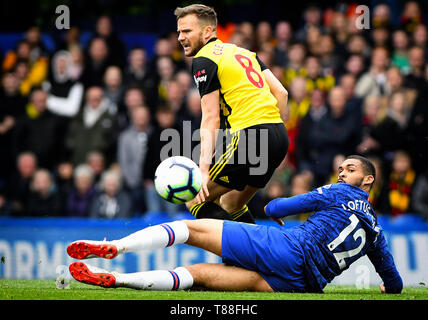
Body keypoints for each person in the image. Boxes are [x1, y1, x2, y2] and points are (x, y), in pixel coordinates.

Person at [67, 155, 402, 294]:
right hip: (302, 285)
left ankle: (117, 246)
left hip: (287, 248)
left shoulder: (339, 191)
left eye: (351, 168)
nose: (343, 172)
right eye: (342, 168)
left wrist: (278, 208)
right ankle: (117, 280)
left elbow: (277, 206)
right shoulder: (376, 231)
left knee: (191, 229)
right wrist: (389, 289)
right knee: (197, 275)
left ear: (367, 179)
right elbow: (395, 282)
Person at [174, 4, 289, 224]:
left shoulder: (204, 59)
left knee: (194, 199)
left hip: (251, 137)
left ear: (207, 31)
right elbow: (281, 93)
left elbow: (210, 118)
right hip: (278, 136)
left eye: (187, 31)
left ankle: (241, 255)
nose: (180, 37)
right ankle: (257, 254)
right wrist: (274, 134)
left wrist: (203, 171)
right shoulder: (244, 53)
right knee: (231, 204)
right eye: (179, 32)